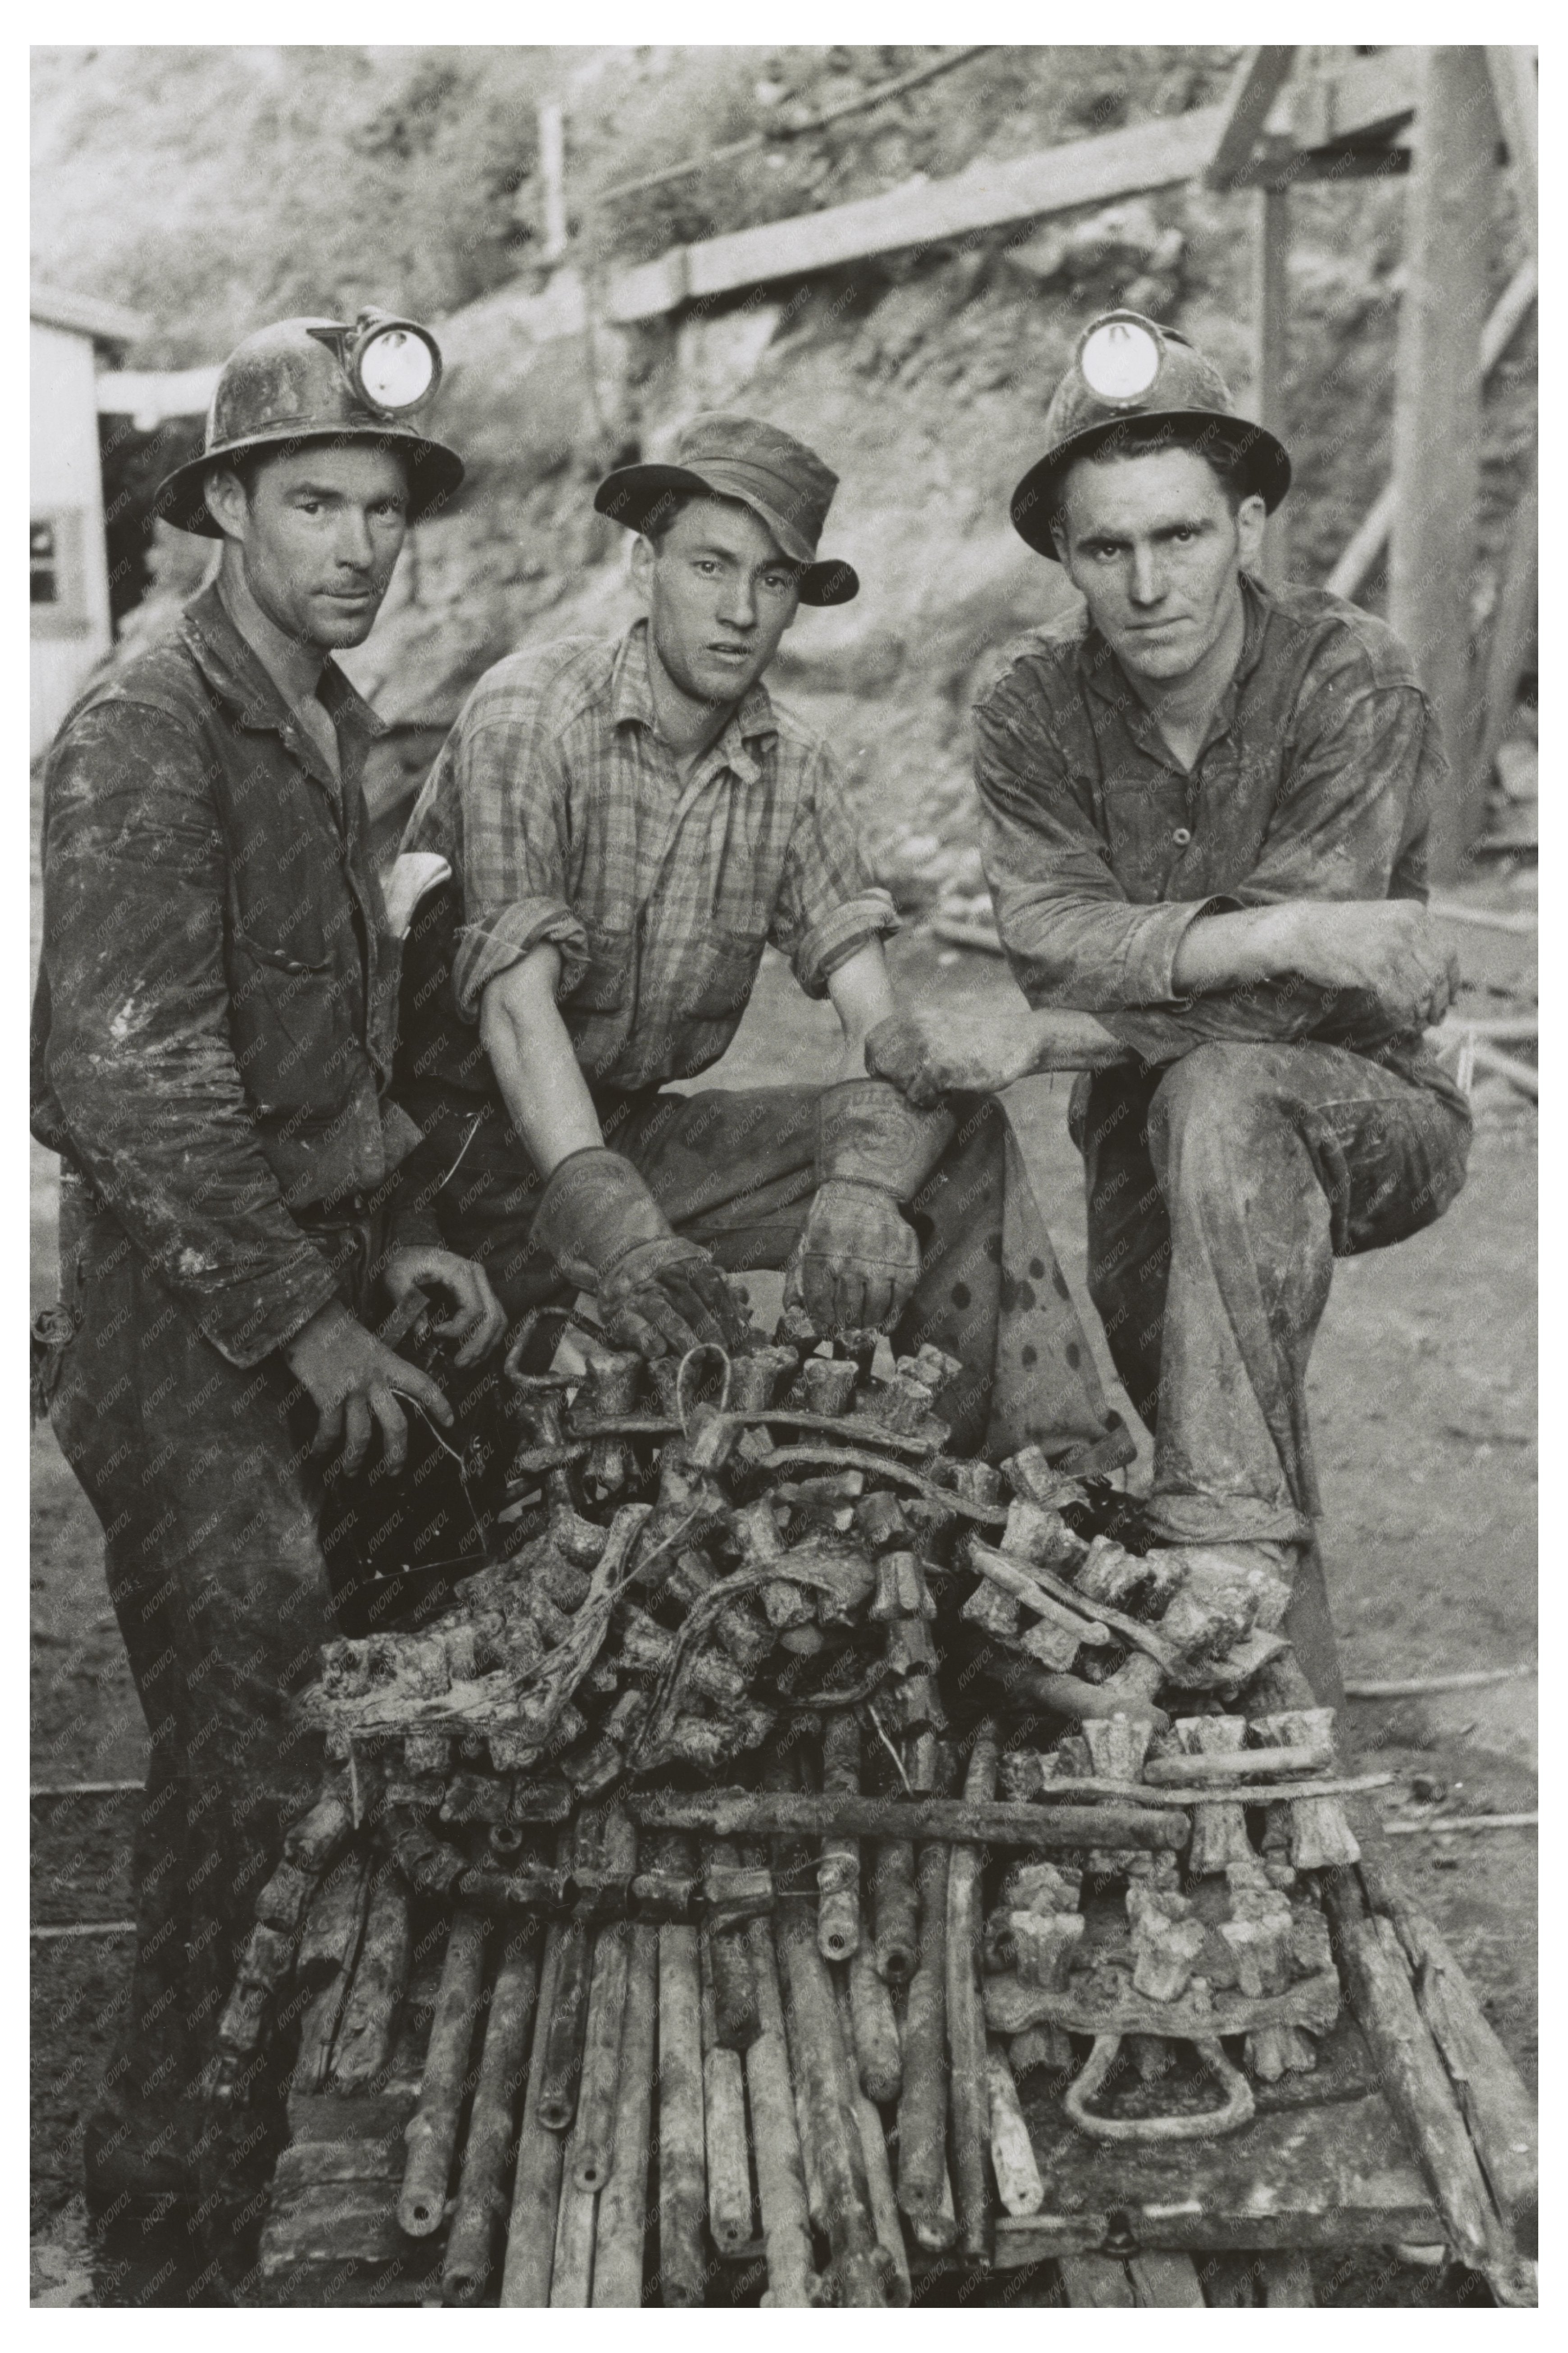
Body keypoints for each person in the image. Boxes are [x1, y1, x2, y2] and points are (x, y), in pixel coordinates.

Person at [32, 310, 505, 2238]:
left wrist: (407, 1236)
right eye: (316, 503)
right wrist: (307, 1325)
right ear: (227, 506)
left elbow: (337, 1048)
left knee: (448, 1620)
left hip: (320, 1264)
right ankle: (166, 2198)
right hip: (175, 1312)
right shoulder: (148, 728)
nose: (360, 546)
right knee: (249, 1681)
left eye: (384, 510)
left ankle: (364, 2084)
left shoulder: (331, 723)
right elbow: (122, 1073)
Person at [868, 309, 1472, 1703]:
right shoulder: (1031, 704)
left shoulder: (1351, 678)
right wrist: (1298, 928)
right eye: (1107, 548)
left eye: (1182, 535)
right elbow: (1053, 941)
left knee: (1228, 1096)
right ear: (1064, 554)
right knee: (1201, 1388)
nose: (1147, 584)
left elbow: (1289, 1016)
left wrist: (1050, 1038)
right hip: (1141, 1124)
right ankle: (1288, 1712)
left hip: (1371, 1107)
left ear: (1247, 525)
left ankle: (1233, 1621)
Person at [393, 411, 1130, 1477]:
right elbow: (515, 1008)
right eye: (710, 566)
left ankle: (1049, 1482)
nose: (740, 612)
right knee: (457, 1470)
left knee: (952, 1139)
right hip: (442, 1159)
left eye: (774, 579)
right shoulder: (530, 716)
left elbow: (876, 1021)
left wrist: (865, 1184)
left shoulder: (796, 771)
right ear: (643, 566)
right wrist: (621, 1233)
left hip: (625, 1130)